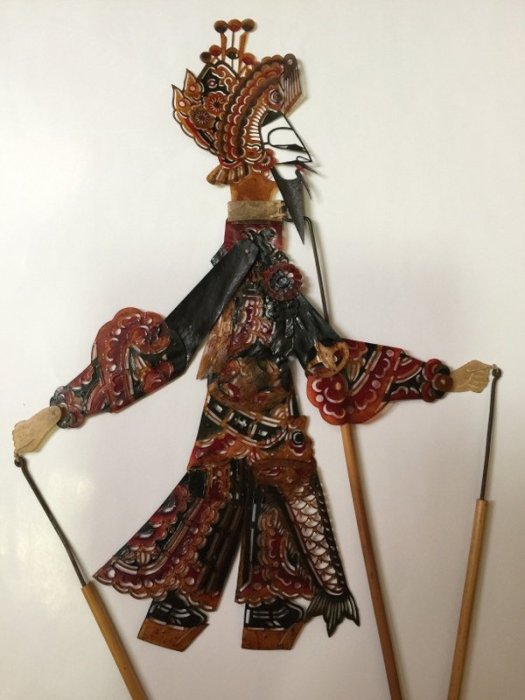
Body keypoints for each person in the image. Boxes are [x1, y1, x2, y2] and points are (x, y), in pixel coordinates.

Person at [13, 19, 490, 652]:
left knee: (273, 508)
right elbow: (166, 348)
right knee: (219, 497)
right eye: (274, 142)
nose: (293, 161)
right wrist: (61, 410)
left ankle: (260, 610)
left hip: (276, 426)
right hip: (234, 422)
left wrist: (440, 380)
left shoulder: (275, 276)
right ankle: (194, 606)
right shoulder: (242, 265)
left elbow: (328, 355)